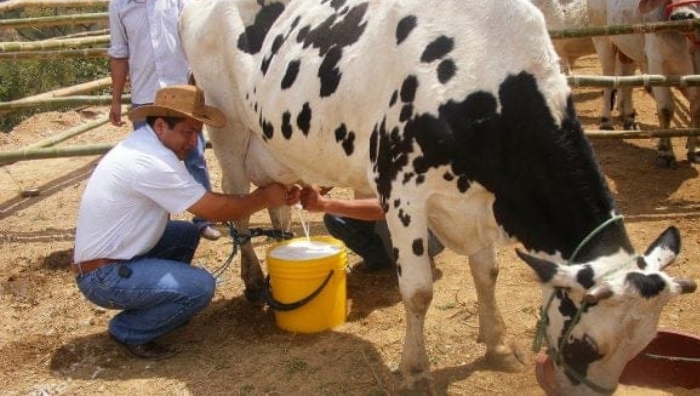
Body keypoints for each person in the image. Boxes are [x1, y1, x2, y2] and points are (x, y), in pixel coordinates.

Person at [73, 85, 300, 360]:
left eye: (197, 133)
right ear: (160, 126)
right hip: (102, 277)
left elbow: (204, 200)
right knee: (201, 287)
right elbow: (213, 210)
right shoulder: (150, 162)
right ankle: (130, 329)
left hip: (112, 258)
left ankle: (163, 303)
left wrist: (259, 197)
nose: (193, 142)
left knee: (185, 234)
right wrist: (264, 197)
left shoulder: (145, 146)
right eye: (187, 132)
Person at [107, 0, 222, 240]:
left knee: (194, 156)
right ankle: (157, 226)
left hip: (181, 93)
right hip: (145, 96)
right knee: (148, 165)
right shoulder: (119, 5)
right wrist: (115, 99)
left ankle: (204, 219)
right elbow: (119, 54)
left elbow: (197, 36)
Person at [299, 185, 444, 272]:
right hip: (375, 218)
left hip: (423, 230)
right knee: (333, 218)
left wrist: (325, 204)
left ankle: (419, 261)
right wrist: (307, 189)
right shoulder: (357, 147)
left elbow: (386, 209)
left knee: (389, 221)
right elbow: (329, 178)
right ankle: (379, 260)